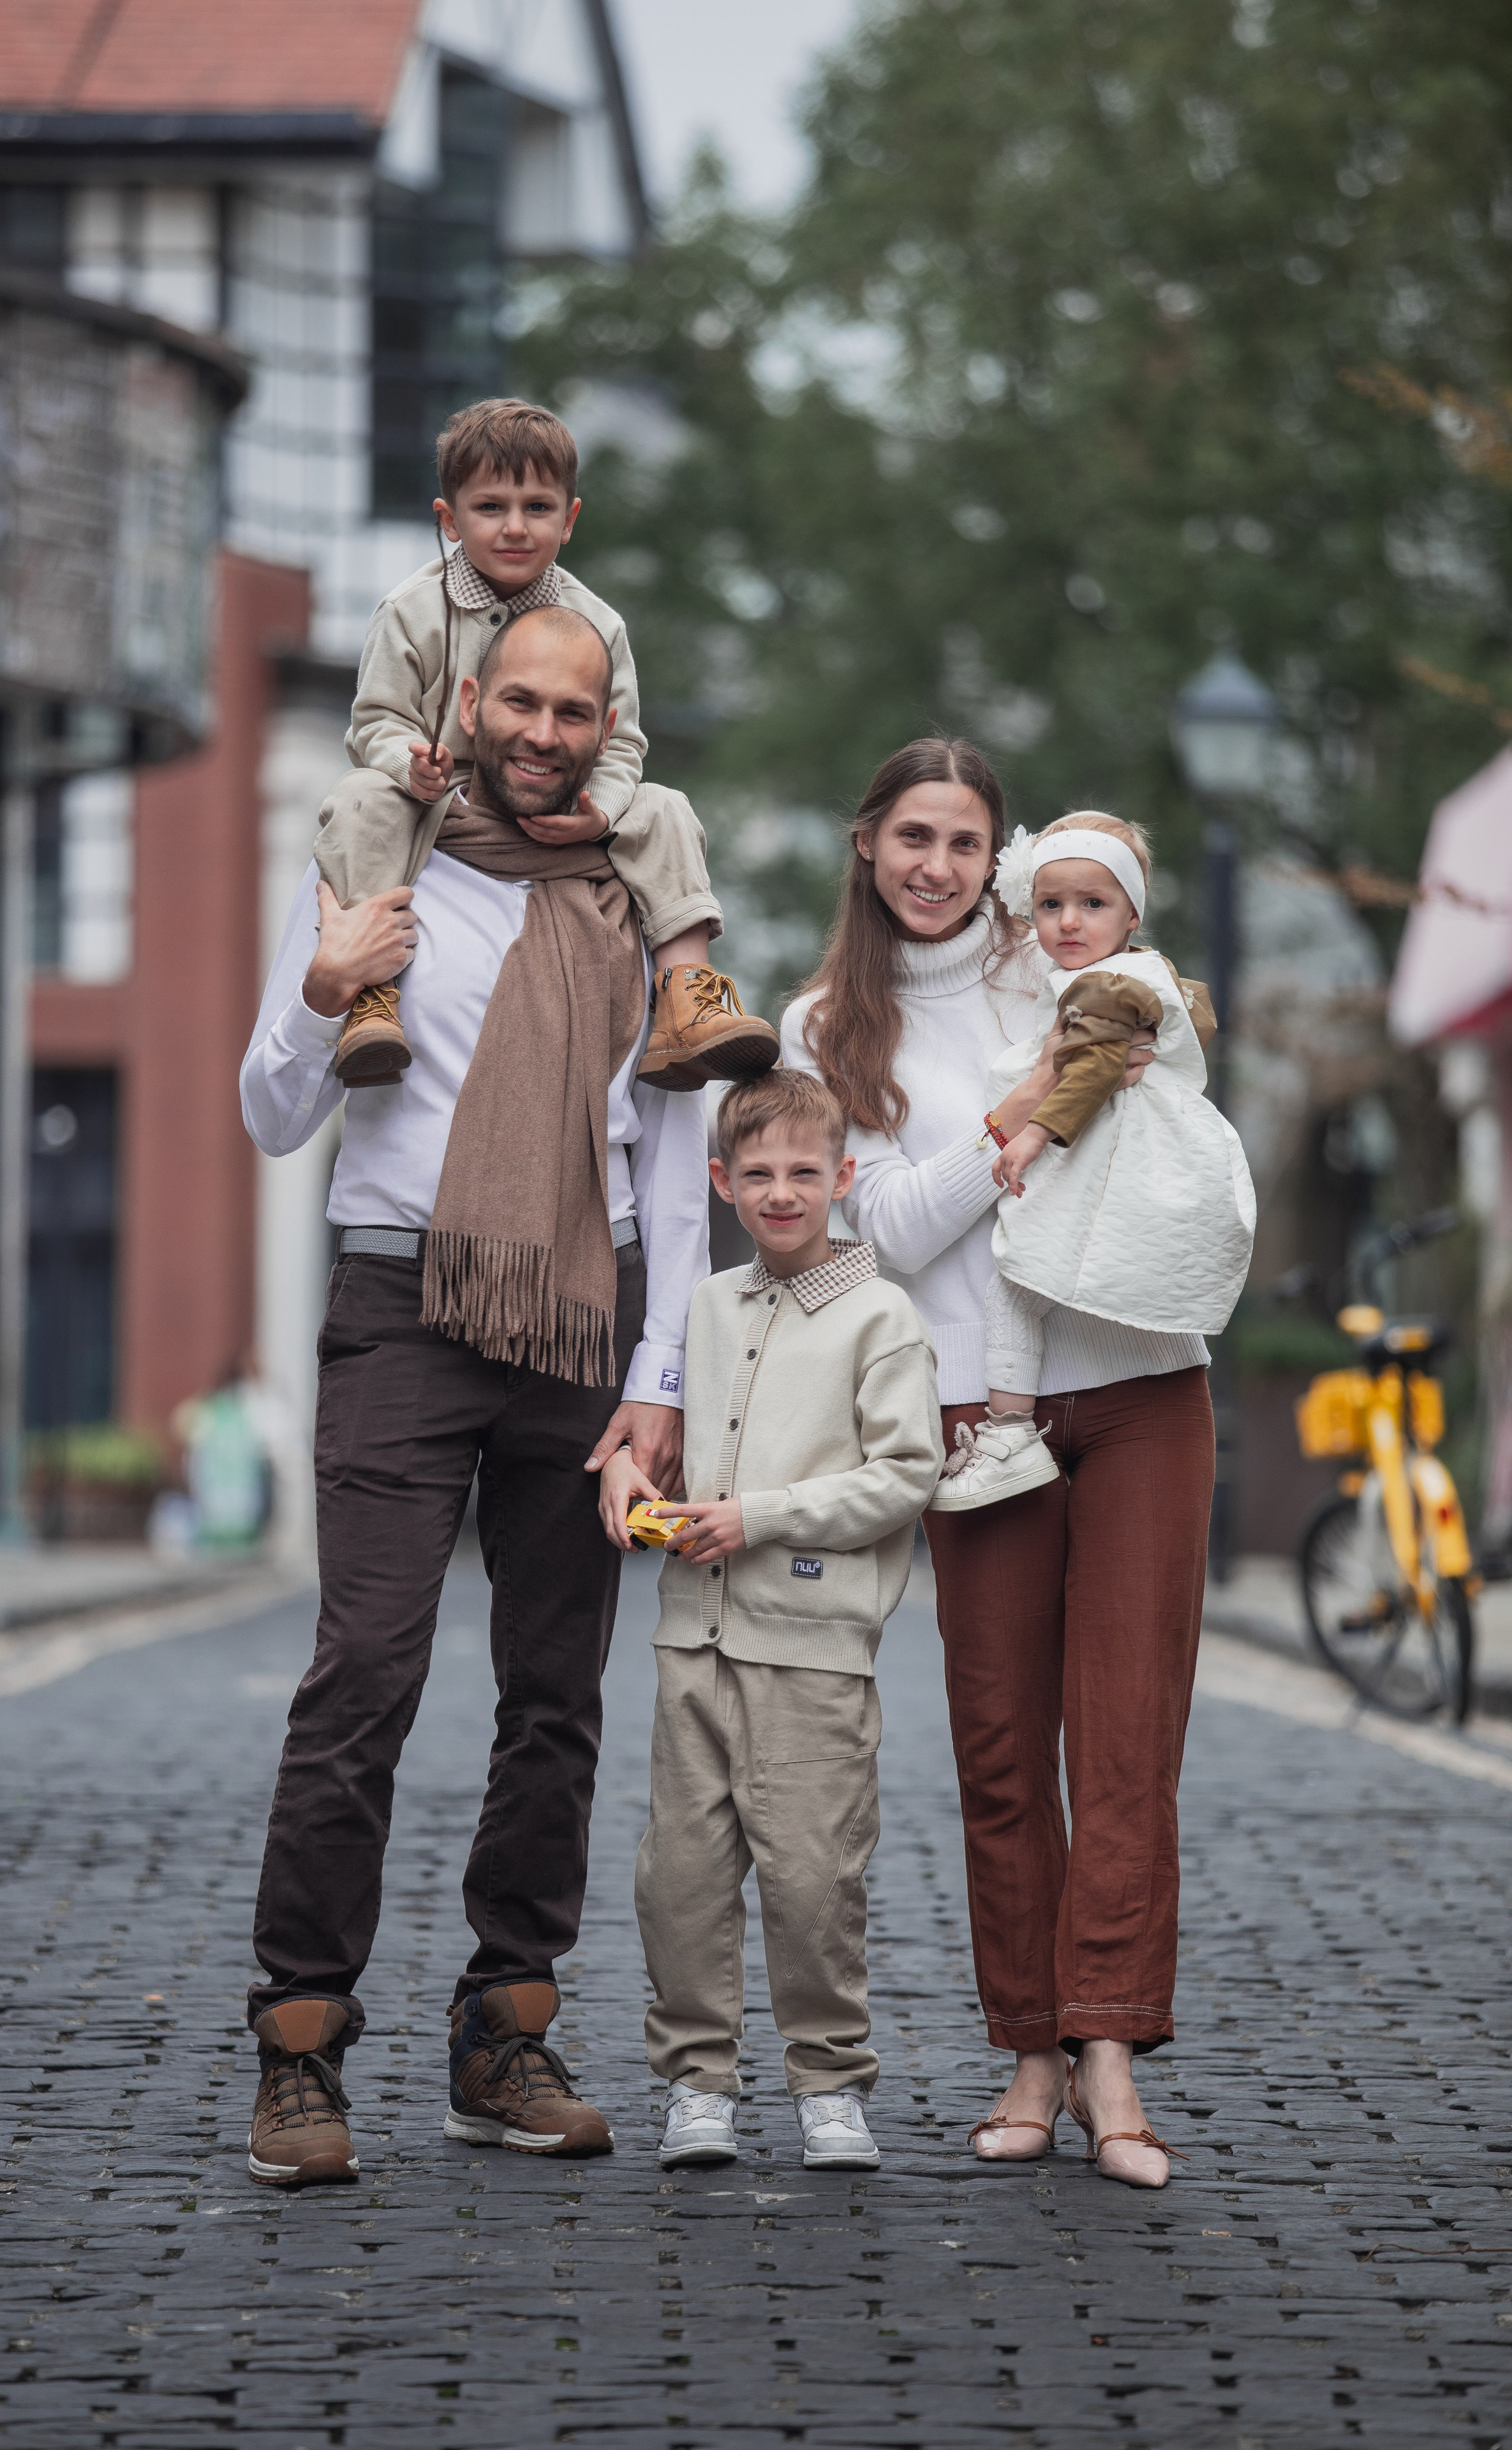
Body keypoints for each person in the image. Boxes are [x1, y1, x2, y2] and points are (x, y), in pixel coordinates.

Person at [239, 604, 710, 2186]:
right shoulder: (375, 854)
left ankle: (502, 2031)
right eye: (519, 698)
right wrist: (324, 986)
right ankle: (299, 2043)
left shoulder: (646, 888)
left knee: (556, 1691)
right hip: (399, 1297)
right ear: (466, 697)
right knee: (363, 1670)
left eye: (574, 708)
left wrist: (660, 1381)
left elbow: (675, 1156)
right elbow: (268, 1113)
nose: (544, 731)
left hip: (589, 1310)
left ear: (603, 721)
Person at [780, 738, 1215, 2190]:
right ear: (866, 841)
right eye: (912, 835)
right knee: (996, 1749)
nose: (936, 867)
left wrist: (1066, 1061)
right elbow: (888, 1231)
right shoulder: (817, 1028)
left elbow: (1167, 1059)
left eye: (964, 843)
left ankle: (1104, 2052)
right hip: (974, 1417)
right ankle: (1025, 2041)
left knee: (1126, 1737)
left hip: (1140, 1386)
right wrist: (1030, 1103)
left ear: (999, 857)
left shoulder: (1062, 958)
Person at [598, 1069, 942, 2173]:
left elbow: (906, 1475)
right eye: (759, 1173)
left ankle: (829, 2084)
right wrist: (626, 1480)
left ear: (842, 1178)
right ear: (723, 1184)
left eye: (805, 1171)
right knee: (681, 1878)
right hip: (690, 1638)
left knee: (812, 1877)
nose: (783, 1191)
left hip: (814, 1650)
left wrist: (759, 1517)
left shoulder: (884, 1315)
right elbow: (671, 1446)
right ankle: (696, 2084)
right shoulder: (704, 1307)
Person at [317, 394, 776, 1092]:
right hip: (438, 806)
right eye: (490, 507)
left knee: (666, 808)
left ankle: (687, 989)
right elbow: (375, 720)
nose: (514, 527)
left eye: (536, 507)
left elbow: (623, 747)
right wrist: (410, 764)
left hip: (556, 801)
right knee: (360, 801)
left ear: (569, 519)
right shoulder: (410, 611)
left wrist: (602, 810)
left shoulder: (598, 624)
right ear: (448, 520)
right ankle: (370, 993)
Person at [931, 810, 1252, 1510]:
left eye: (1092, 904)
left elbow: (1093, 1068)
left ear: (1131, 913)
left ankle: (1010, 1429)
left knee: (1014, 1284)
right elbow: (1192, 1023)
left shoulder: (1105, 987)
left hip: (1098, 1151)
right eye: (1050, 905)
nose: (1068, 922)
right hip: (1122, 1149)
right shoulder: (1148, 975)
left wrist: (1030, 1135)